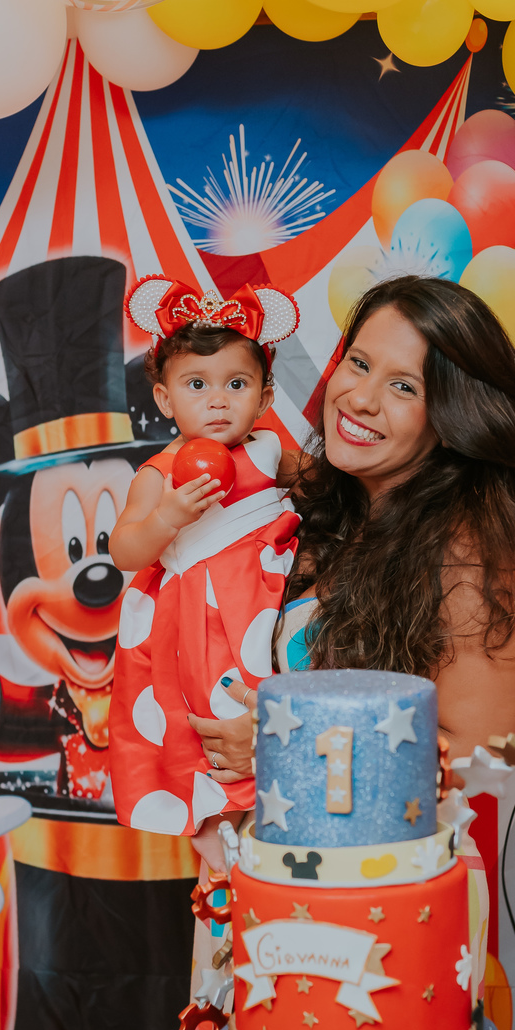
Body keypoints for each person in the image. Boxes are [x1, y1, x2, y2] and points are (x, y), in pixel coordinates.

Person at [189, 275, 515, 779]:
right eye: (359, 364)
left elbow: (479, 754)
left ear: (453, 417)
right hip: (268, 844)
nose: (360, 398)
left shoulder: (476, 562)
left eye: (404, 386)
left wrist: (286, 742)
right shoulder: (328, 496)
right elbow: (220, 461)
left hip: (388, 854)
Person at [109, 277, 302, 872]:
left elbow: (331, 487)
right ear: (166, 400)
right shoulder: (160, 471)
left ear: (265, 398)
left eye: (236, 385)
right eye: (197, 385)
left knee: (267, 701)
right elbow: (124, 549)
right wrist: (167, 516)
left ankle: (270, 810)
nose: (218, 401)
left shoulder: (270, 452)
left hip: (267, 598)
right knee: (206, 713)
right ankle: (217, 820)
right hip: (200, 610)